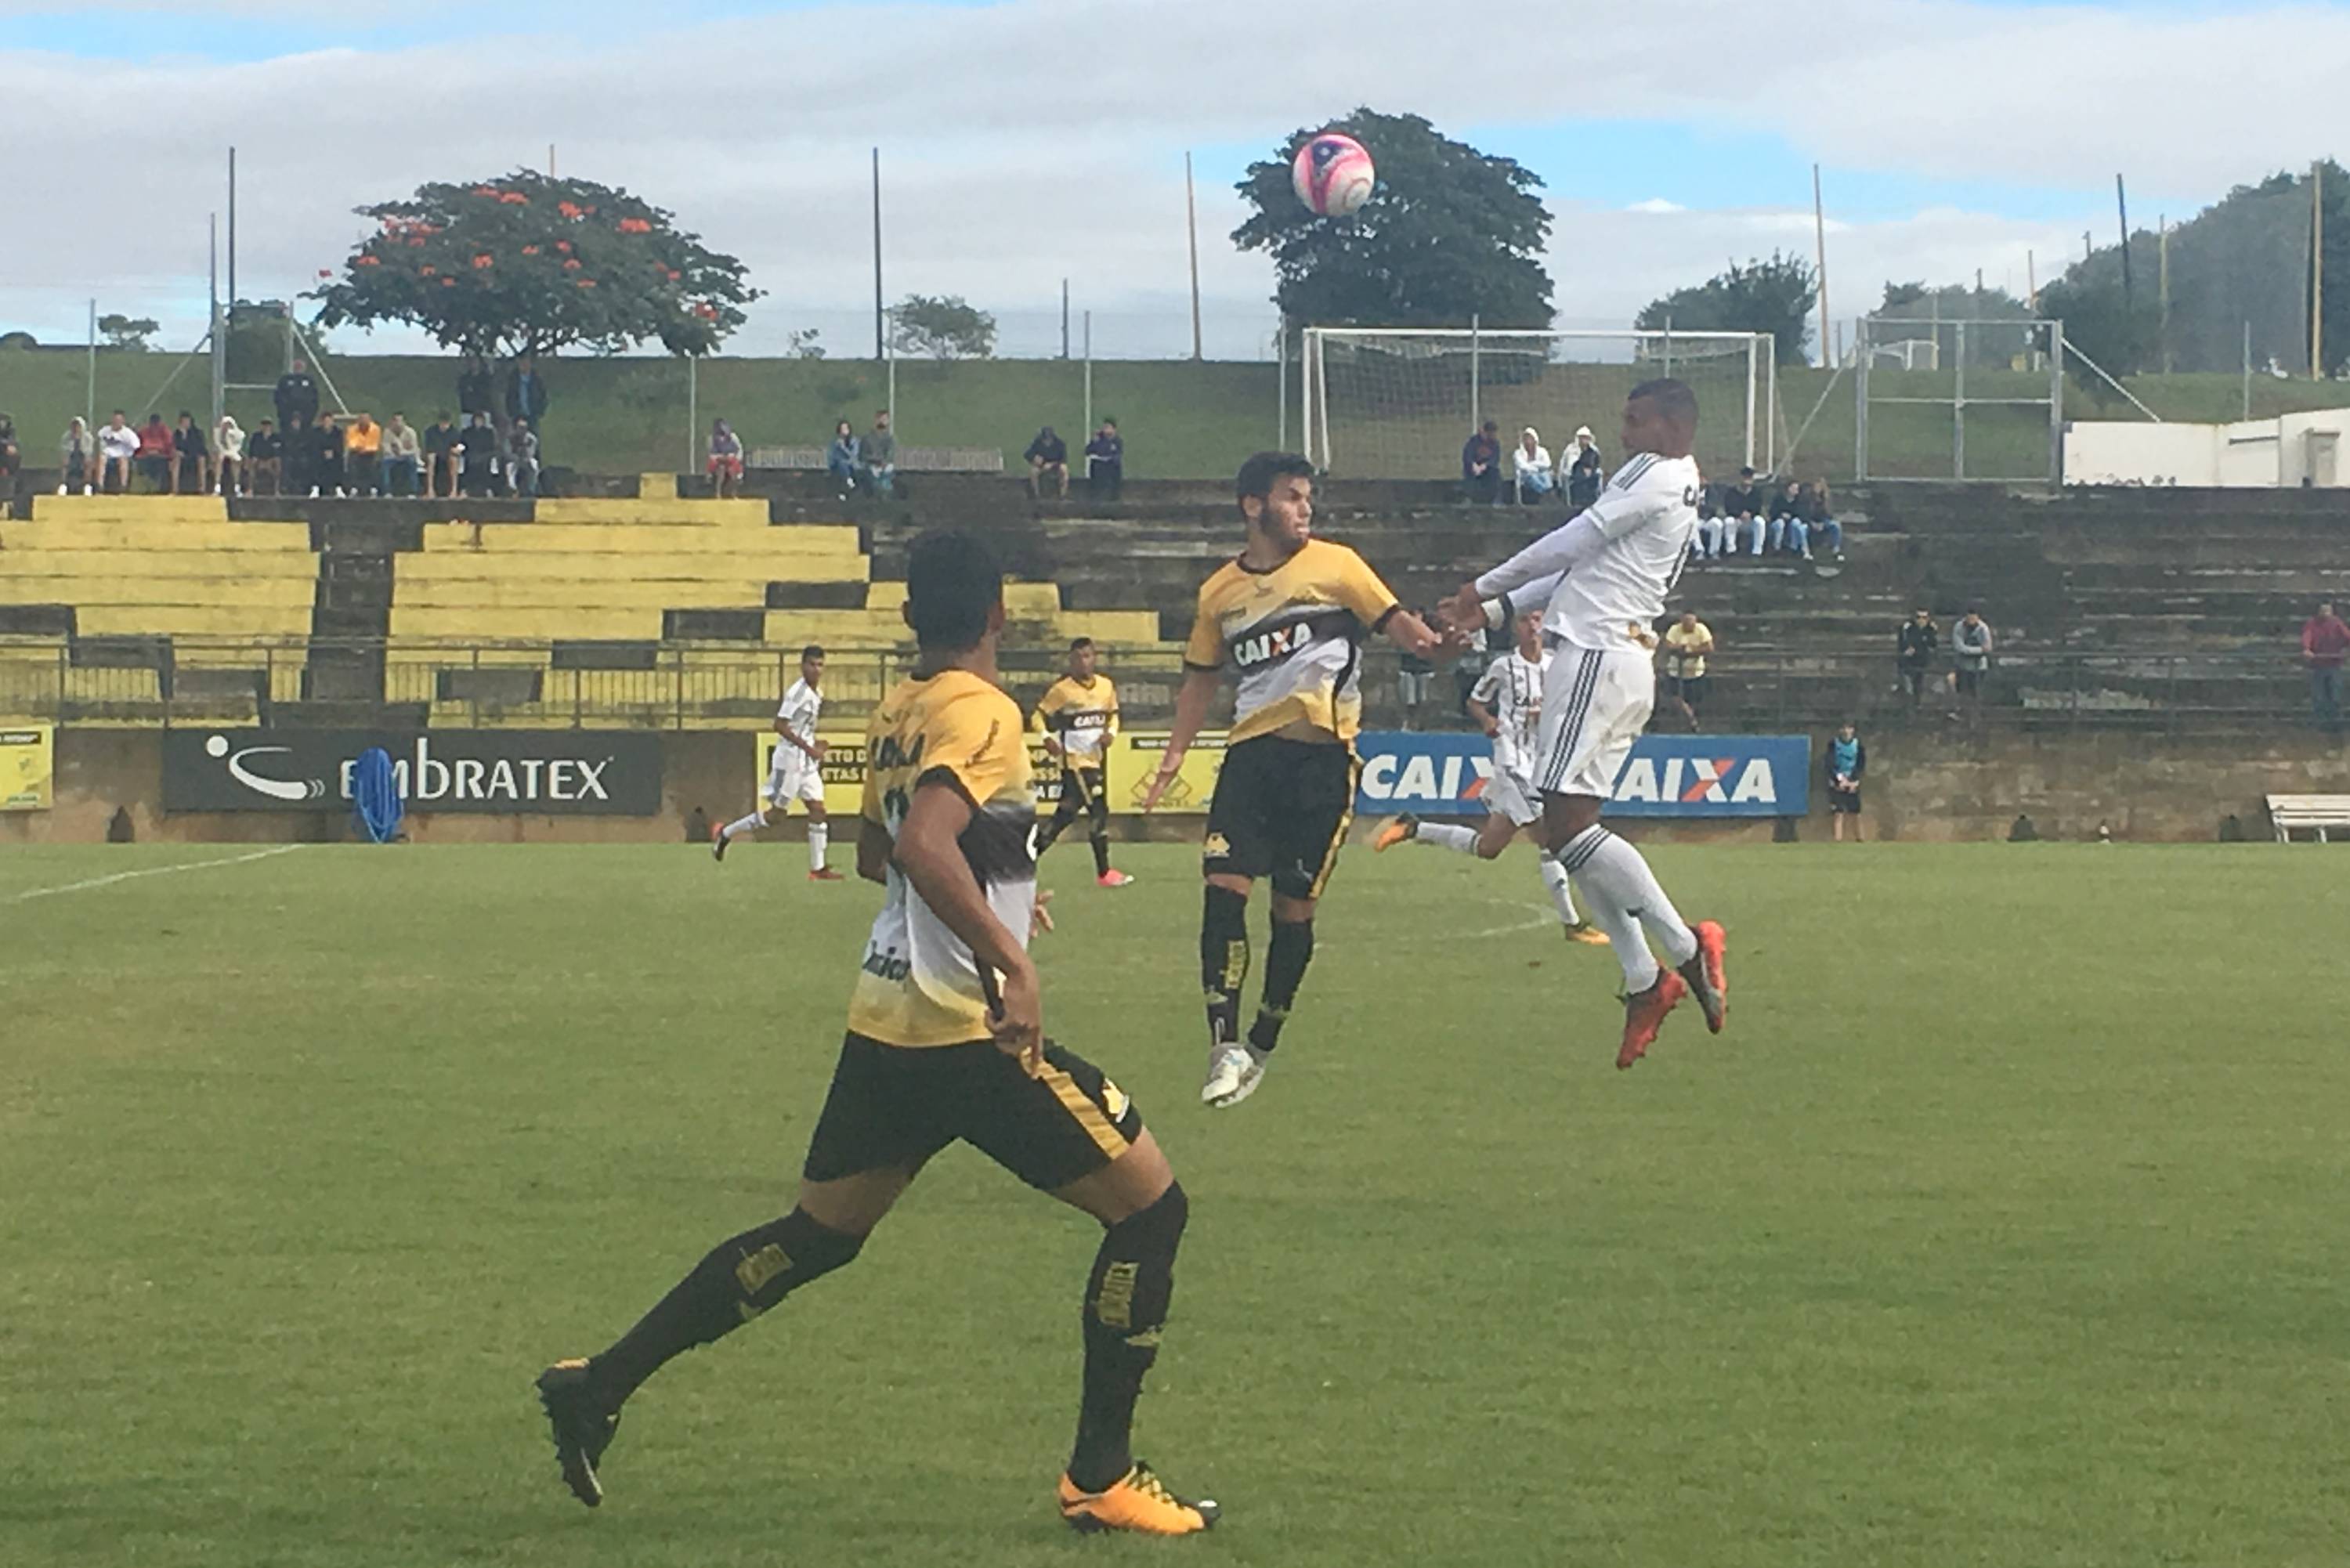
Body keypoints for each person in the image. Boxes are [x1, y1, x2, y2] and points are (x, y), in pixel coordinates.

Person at [540, 531, 1214, 1536]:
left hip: (884, 1023)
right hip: (962, 1036)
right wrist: (1008, 956)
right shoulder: (984, 710)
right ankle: (1099, 1475)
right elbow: (917, 845)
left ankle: (598, 1383)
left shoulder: (900, 709)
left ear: (910, 619)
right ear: (997, 616)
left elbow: (874, 857)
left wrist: (998, 895)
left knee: (818, 1235)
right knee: (1151, 1211)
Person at [1142, 452, 1448, 1110]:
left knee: (1292, 909)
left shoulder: (1339, 566)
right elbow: (1200, 678)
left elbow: (1402, 629)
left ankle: (1261, 1042)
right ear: (1254, 506)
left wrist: (1438, 639)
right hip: (1250, 760)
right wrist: (1174, 754)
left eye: (1308, 496)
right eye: (1292, 496)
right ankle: (1223, 1046)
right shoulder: (1218, 593)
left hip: (1323, 764)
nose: (1305, 508)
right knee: (1223, 891)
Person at [1439, 379, 1730, 1071]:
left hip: (1597, 656)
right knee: (1571, 827)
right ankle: (1642, 979)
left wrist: (1483, 587)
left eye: (1633, 422)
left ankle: (1684, 950)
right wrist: (1494, 611)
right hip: (1617, 654)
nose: (1622, 433)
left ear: (1669, 427)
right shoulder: (1674, 480)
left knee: (1561, 828)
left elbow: (1575, 541)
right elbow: (1586, 567)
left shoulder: (1654, 477)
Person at [1373, 608, 1608, 945]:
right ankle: (1572, 924)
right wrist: (1488, 722)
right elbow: (1476, 701)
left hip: (1542, 760)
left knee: (1488, 847)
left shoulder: (1555, 665)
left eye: (1538, 620)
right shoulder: (1505, 667)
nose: (1533, 626)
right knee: (1550, 837)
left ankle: (1414, 827)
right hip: (1512, 762)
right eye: (1527, 620)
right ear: (1515, 628)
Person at [713, 645, 841, 878]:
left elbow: (801, 728)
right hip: (790, 760)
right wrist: (809, 748)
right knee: (776, 817)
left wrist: (816, 743)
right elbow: (780, 725)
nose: (816, 669)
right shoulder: (797, 693)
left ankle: (818, 868)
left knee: (818, 810)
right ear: (802, 666)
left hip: (807, 762)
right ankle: (726, 833)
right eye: (812, 664)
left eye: (820, 665)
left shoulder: (817, 693)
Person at [1032, 638, 1132, 887]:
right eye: (1078, 657)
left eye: (1088, 656)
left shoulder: (1106, 686)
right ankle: (1104, 873)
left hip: (1096, 760)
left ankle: (1021, 861)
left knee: (1063, 817)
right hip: (1075, 763)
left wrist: (1112, 733)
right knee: (1098, 810)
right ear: (1071, 660)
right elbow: (1037, 716)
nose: (1084, 662)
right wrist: (1046, 738)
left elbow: (1114, 716)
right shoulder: (1062, 690)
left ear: (1094, 657)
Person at [1662, 610, 1713, 731]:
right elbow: (1668, 645)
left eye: (1691, 623)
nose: (1689, 626)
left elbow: (1709, 648)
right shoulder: (1675, 629)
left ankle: (1689, 724)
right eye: (1686, 623)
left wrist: (1690, 651)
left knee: (1694, 700)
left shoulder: (1701, 629)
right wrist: (1680, 648)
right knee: (1674, 697)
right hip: (1676, 672)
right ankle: (1691, 721)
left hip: (1695, 672)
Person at [2302, 599, 2348, 733]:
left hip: (2334, 665)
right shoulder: (2312, 624)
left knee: (2335, 696)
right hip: (2318, 665)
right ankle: (2321, 726)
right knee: (2319, 697)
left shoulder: (2337, 623)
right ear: (2318, 612)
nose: (2326, 614)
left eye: (2328, 611)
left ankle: (2335, 725)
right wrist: (2307, 649)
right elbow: (2307, 636)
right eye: (2323, 611)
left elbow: (2347, 636)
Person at [1826, 721, 1867, 841]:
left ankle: (1860, 837)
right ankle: (1837, 838)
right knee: (1838, 812)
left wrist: (1854, 781)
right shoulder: (1833, 744)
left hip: (1852, 781)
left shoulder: (1858, 745)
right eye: (1843, 728)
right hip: (1838, 781)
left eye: (1849, 728)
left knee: (1856, 811)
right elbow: (1829, 763)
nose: (1846, 731)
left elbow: (1861, 765)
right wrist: (1838, 780)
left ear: (1853, 730)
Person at [1950, 606, 1994, 717]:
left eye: (1974, 618)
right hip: (1962, 666)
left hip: (1980, 667)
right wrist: (1978, 650)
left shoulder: (1983, 628)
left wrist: (1975, 651)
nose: (1971, 621)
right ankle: (1961, 712)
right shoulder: (1959, 627)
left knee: (1977, 692)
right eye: (1969, 618)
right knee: (1962, 690)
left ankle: (1976, 714)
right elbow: (1960, 647)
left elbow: (1988, 647)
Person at [1896, 608, 1939, 706]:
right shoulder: (1907, 628)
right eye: (1919, 617)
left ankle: (1918, 704)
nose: (1921, 620)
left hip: (1923, 663)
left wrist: (1934, 632)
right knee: (1908, 690)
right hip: (1907, 663)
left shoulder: (1930, 628)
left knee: (1920, 685)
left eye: (1924, 617)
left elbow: (1933, 644)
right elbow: (1904, 644)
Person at [1721, 466, 1766, 556]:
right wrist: (1739, 514)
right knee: (1729, 521)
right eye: (1745, 477)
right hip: (1737, 520)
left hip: (1751, 521)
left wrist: (1750, 514)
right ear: (1740, 478)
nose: (1747, 480)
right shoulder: (1732, 492)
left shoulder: (1756, 492)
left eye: (1749, 478)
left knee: (1760, 521)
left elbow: (1758, 507)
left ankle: (1757, 551)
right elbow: (1729, 508)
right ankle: (1731, 550)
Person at [1395, 632, 1435, 729]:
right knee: (1409, 701)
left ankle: (1421, 724)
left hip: (1426, 669)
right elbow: (1399, 645)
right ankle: (1408, 723)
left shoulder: (1429, 625)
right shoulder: (1405, 627)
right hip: (1407, 669)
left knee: (1424, 700)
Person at [504, 352, 551, 435]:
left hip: (532, 415)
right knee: (518, 440)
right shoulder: (513, 378)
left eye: (525, 362)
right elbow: (509, 396)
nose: (523, 365)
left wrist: (540, 411)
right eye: (521, 362)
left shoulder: (536, 379)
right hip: (517, 416)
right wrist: (511, 412)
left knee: (533, 438)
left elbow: (543, 396)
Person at [458, 411, 502, 497]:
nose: (478, 422)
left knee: (485, 464)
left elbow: (492, 447)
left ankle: (488, 488)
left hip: (485, 456)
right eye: (477, 420)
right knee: (470, 463)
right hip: (470, 455)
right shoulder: (466, 432)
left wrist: (483, 456)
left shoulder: (489, 433)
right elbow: (462, 445)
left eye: (480, 420)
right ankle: (465, 489)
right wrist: (468, 454)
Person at [1560, 426, 1605, 510]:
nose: (1584, 440)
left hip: (1590, 473)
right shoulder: (1570, 449)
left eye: (1586, 438)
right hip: (1573, 473)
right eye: (1582, 438)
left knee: (1597, 475)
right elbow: (1568, 465)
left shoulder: (1594, 450)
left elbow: (1596, 463)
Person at [273, 357, 320, 438]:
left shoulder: (310, 381)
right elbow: (278, 398)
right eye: (297, 366)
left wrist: (306, 417)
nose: (299, 368)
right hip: (286, 420)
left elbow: (314, 400)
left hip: (306, 420)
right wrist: (288, 416)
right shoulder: (285, 380)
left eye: (300, 366)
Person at [1460, 418, 1502, 504]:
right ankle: (1469, 498)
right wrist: (1473, 465)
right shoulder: (1473, 441)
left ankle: (1496, 500)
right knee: (1470, 477)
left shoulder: (1495, 444)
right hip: (1473, 468)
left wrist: (1485, 466)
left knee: (1496, 475)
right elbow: (1467, 455)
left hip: (1487, 469)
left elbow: (1495, 459)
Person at [97, 411, 139, 494]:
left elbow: (136, 446)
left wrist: (127, 445)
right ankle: (99, 486)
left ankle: (123, 487)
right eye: (115, 420)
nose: (116, 422)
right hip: (108, 457)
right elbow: (99, 441)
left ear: (123, 421)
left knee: (122, 460)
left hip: (122, 456)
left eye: (119, 420)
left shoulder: (128, 433)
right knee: (101, 459)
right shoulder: (105, 430)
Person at [380, 414, 421, 497]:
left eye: (400, 421)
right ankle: (387, 491)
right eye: (395, 421)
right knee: (385, 463)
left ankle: (413, 491)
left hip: (407, 456)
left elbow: (414, 449)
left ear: (404, 422)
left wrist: (402, 452)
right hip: (393, 457)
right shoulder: (387, 432)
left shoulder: (411, 432)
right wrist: (394, 453)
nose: (397, 424)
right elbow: (386, 448)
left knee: (412, 462)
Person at [1799, 480, 1844, 557]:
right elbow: (1803, 514)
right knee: (1802, 529)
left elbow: (1829, 514)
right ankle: (1805, 551)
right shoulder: (1806, 498)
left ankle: (1836, 550)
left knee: (1836, 526)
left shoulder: (1826, 499)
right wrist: (1812, 523)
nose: (1817, 488)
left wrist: (1823, 524)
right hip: (1810, 522)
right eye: (1815, 486)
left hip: (1823, 522)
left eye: (1819, 486)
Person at [170, 411, 211, 496]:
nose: (185, 423)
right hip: (183, 457)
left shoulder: (198, 433)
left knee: (201, 460)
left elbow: (199, 447)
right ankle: (175, 489)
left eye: (187, 421)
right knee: (176, 460)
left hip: (196, 455)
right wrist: (183, 436)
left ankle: (202, 488)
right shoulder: (178, 433)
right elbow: (177, 446)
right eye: (183, 421)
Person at [343, 411, 381, 497]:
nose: (364, 422)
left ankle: (373, 488)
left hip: (370, 453)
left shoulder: (376, 429)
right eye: (362, 420)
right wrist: (359, 448)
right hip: (357, 452)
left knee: (373, 464)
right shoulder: (351, 429)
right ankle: (354, 488)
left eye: (366, 420)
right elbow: (351, 443)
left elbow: (375, 444)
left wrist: (364, 449)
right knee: (352, 461)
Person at [1025, 426, 1070, 500]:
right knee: (1033, 472)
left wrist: (1052, 464)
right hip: (1041, 466)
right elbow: (1027, 454)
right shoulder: (1038, 443)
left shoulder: (1060, 444)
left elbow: (1063, 459)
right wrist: (1035, 458)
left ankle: (1063, 495)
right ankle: (1036, 494)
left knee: (1064, 469)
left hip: (1056, 466)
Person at [1510, 427, 1554, 503]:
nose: (1528, 442)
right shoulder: (1518, 453)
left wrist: (1532, 464)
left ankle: (1549, 490)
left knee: (1546, 474)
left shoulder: (1542, 451)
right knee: (1532, 476)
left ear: (1535, 440)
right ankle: (1545, 493)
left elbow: (1547, 464)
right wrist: (1536, 468)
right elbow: (1522, 466)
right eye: (1526, 439)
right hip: (1526, 476)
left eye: (1530, 439)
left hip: (1540, 473)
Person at [422, 413, 461, 499]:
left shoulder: (454, 432)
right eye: (443, 423)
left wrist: (457, 450)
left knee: (454, 460)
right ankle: (430, 490)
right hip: (435, 455)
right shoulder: (431, 432)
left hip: (448, 455)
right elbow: (429, 448)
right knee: (431, 459)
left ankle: (454, 490)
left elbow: (459, 445)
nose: (444, 426)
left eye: (446, 423)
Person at [1085, 420, 1123, 502]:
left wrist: (1110, 458)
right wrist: (1094, 441)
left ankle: (1114, 496)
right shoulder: (1099, 440)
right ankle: (1095, 495)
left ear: (1114, 429)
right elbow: (1088, 451)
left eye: (1108, 428)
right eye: (1105, 428)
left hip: (1111, 465)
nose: (1106, 430)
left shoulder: (1117, 441)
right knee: (1095, 467)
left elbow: (1118, 455)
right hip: (1100, 465)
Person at [135, 414, 174, 493]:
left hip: (161, 456)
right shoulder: (144, 431)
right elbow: (139, 445)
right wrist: (147, 452)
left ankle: (161, 489)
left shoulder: (165, 431)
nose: (154, 425)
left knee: (162, 465)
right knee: (143, 465)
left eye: (156, 423)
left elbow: (169, 444)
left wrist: (159, 451)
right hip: (146, 456)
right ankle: (148, 487)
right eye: (153, 423)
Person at [862, 410, 897, 497]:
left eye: (885, 419)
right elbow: (863, 455)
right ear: (876, 420)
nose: (883, 421)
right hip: (872, 466)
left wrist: (884, 462)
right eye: (881, 419)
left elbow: (891, 454)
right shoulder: (867, 438)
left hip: (885, 466)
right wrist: (875, 461)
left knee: (886, 479)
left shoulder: (889, 438)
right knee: (875, 479)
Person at [707, 419, 745, 499]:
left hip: (731, 459)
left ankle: (734, 493)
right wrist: (720, 457)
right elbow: (712, 454)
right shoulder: (712, 439)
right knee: (721, 470)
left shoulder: (733, 437)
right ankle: (717, 493)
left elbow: (739, 450)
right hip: (719, 460)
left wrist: (735, 458)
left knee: (733, 471)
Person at [1767, 479, 1806, 556]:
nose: (1795, 491)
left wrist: (1790, 516)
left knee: (1796, 522)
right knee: (1780, 524)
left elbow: (1800, 514)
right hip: (1778, 521)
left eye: (1796, 489)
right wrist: (1781, 515)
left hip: (1792, 521)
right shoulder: (1779, 498)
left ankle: (1793, 548)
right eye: (1793, 488)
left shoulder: (1799, 500)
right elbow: (1772, 512)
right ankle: (1777, 548)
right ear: (1788, 488)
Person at [310, 413, 345, 497]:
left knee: (338, 463)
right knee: (315, 462)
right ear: (322, 422)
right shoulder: (316, 432)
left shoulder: (338, 432)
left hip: (334, 455)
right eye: (325, 421)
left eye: (329, 421)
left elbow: (340, 445)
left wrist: (333, 452)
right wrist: (323, 453)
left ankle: (338, 488)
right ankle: (316, 488)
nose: (327, 423)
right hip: (320, 456)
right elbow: (315, 446)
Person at [245, 419, 283, 497]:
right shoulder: (256, 437)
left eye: (268, 425)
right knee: (252, 463)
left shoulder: (276, 438)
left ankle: (277, 491)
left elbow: (277, 453)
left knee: (278, 463)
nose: (266, 427)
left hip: (271, 460)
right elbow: (253, 452)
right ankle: (250, 490)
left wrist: (268, 462)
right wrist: (260, 461)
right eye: (264, 425)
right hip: (258, 460)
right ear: (261, 427)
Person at [59, 417, 95, 495]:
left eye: (78, 426)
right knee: (64, 462)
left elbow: (89, 452)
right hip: (71, 456)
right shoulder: (66, 437)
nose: (76, 428)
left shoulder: (88, 438)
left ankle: (87, 486)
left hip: (83, 456)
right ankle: (63, 485)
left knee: (88, 463)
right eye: (74, 426)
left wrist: (80, 443)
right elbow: (65, 451)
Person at [457, 356, 496, 426]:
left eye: (475, 361)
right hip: (468, 412)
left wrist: (474, 389)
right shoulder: (464, 379)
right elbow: (461, 392)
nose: (473, 363)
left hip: (484, 411)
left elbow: (487, 393)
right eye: (471, 361)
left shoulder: (486, 379)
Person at [824, 420, 859, 496]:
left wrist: (843, 448)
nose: (844, 432)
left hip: (851, 465)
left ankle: (849, 482)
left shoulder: (854, 441)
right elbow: (832, 455)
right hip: (838, 466)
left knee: (844, 464)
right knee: (841, 464)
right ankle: (848, 482)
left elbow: (853, 456)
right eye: (842, 429)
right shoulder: (835, 442)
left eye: (846, 429)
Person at [509, 418, 541, 497]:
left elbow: (532, 452)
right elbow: (508, 451)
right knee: (510, 469)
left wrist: (526, 457)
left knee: (535, 466)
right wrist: (515, 457)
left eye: (524, 427)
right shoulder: (511, 437)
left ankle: (532, 489)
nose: (522, 430)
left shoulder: (532, 438)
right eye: (520, 427)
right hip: (515, 459)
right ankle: (513, 489)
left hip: (528, 459)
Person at [214, 414, 245, 497]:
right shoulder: (218, 434)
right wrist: (225, 452)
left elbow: (238, 447)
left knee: (237, 461)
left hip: (234, 453)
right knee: (219, 459)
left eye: (229, 424)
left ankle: (237, 486)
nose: (227, 427)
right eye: (225, 424)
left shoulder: (240, 434)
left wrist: (229, 439)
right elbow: (218, 445)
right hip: (223, 453)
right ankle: (217, 486)